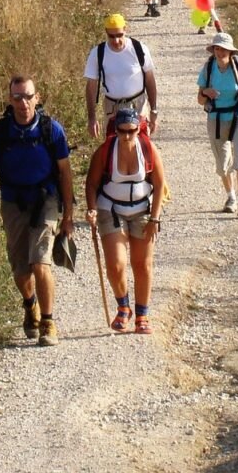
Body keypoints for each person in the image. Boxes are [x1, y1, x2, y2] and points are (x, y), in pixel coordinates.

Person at [0, 75, 75, 347]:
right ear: (10, 100)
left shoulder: (51, 129)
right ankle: (29, 304)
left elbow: (65, 173)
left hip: (45, 200)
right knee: (21, 270)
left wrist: (68, 216)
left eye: (28, 96)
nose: (23, 103)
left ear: (38, 97)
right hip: (13, 202)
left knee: (40, 261)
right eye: (18, 97)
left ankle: (48, 321)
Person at [85, 107, 166, 335]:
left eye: (132, 131)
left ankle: (142, 315)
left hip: (142, 209)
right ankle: (123, 306)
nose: (127, 136)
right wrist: (91, 209)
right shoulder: (105, 151)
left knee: (143, 264)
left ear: (139, 129)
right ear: (116, 131)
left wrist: (155, 218)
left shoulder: (149, 149)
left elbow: (160, 185)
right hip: (110, 208)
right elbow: (91, 184)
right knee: (116, 264)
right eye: (122, 131)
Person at [196, 32, 238, 216]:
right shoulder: (208, 69)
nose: (220, 52)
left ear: (231, 51)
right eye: (217, 48)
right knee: (222, 164)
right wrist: (207, 92)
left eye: (223, 49)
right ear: (213, 50)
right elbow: (199, 99)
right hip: (216, 118)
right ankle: (230, 197)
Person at [84, 13, 158, 139]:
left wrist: (154, 111)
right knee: (111, 146)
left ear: (125, 30)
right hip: (112, 108)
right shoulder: (98, 53)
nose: (116, 40)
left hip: (138, 105)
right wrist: (92, 118)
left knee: (143, 145)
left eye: (119, 35)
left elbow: (150, 80)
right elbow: (91, 87)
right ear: (106, 32)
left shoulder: (139, 49)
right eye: (111, 36)